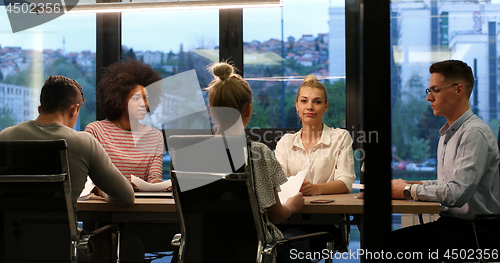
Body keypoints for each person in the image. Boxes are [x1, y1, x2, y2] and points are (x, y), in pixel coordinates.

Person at [391, 60, 500, 261]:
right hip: (456, 225)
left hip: (478, 232)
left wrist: (407, 191)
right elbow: (446, 185)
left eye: (435, 90)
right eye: (429, 90)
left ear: (459, 90)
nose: (428, 97)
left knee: (387, 248)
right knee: (384, 243)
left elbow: (457, 193)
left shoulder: (474, 133)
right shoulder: (448, 134)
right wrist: (409, 185)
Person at [205, 62, 305, 263]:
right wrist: (293, 205)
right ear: (248, 110)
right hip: (257, 254)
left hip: (206, 252)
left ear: (211, 110)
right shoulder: (257, 154)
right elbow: (276, 215)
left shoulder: (194, 155)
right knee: (301, 243)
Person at [0, 75, 134, 206]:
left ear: (40, 109)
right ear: (73, 110)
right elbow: (126, 197)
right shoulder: (84, 143)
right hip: (60, 229)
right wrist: (102, 192)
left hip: (12, 228)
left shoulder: (5, 137)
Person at [84, 60, 164, 185]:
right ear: (119, 99)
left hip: (143, 202)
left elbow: (154, 177)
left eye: (146, 98)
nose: (143, 104)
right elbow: (89, 179)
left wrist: (161, 185)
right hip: (104, 203)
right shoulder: (96, 131)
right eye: (136, 98)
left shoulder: (155, 136)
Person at [275, 75, 356, 196]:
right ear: (297, 105)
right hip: (293, 211)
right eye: (304, 101)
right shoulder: (285, 142)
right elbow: (278, 182)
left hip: (331, 211)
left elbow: (346, 181)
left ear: (326, 107)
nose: (310, 107)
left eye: (317, 102)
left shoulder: (341, 137)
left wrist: (316, 189)